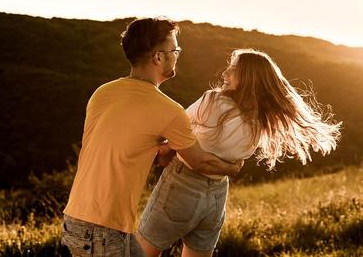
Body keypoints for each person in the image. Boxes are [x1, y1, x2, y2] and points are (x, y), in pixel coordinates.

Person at [62, 17, 243, 257]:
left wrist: (165, 149)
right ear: (158, 57)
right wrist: (232, 167)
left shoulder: (102, 93)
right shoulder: (169, 111)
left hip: (73, 219)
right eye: (175, 50)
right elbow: (201, 161)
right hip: (105, 229)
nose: (178, 55)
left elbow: (131, 147)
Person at [136, 49, 342, 257]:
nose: (224, 73)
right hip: (216, 194)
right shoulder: (261, 123)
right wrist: (230, 168)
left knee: (144, 249)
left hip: (182, 184)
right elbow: (231, 164)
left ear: (247, 78)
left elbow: (176, 129)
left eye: (233, 69)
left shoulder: (213, 101)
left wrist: (164, 149)